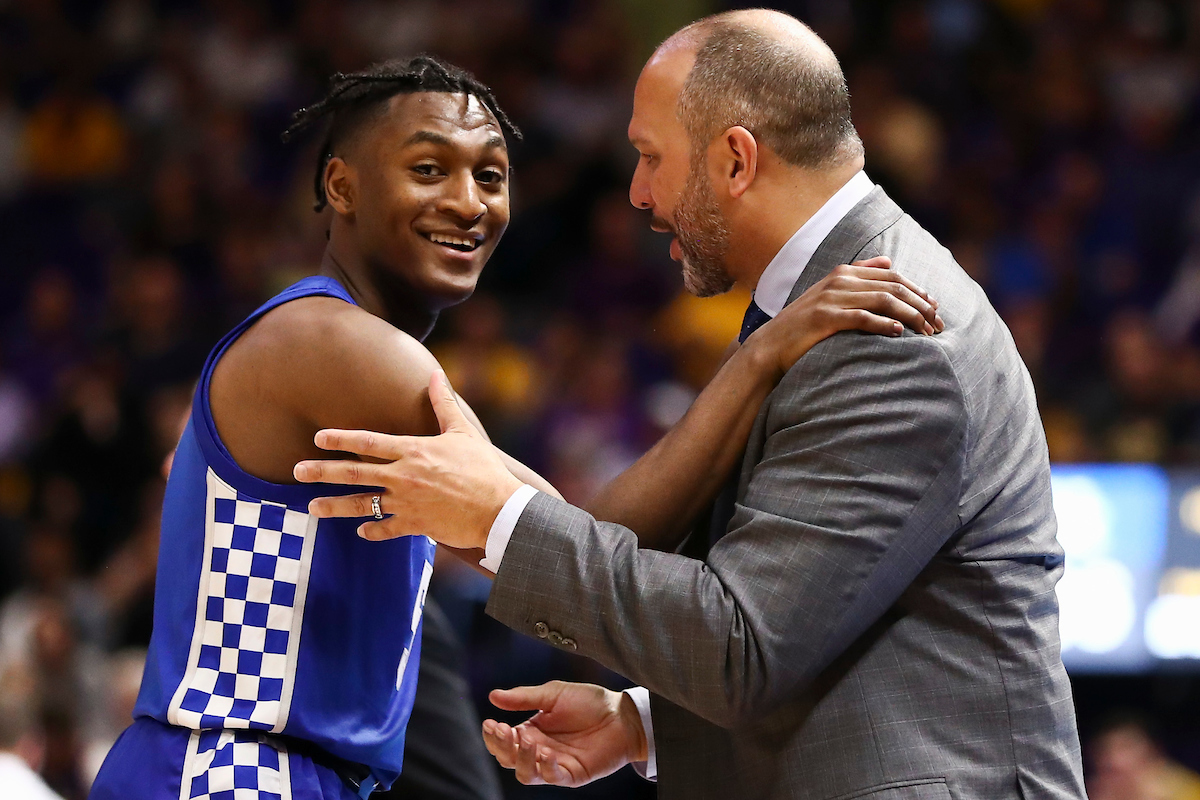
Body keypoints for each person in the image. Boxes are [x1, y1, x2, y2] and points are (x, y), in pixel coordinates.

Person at [89, 52, 940, 800]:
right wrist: (760, 357)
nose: (468, 203)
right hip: (232, 773)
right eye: (429, 169)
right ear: (341, 186)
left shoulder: (326, 339)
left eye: (490, 176)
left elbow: (573, 555)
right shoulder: (344, 349)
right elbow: (597, 546)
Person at [295, 10, 1088, 800]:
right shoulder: (820, 302)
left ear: (736, 160)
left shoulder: (888, 329)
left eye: (649, 157)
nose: (638, 193)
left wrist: (497, 516)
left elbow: (740, 648)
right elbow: (825, 625)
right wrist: (646, 725)